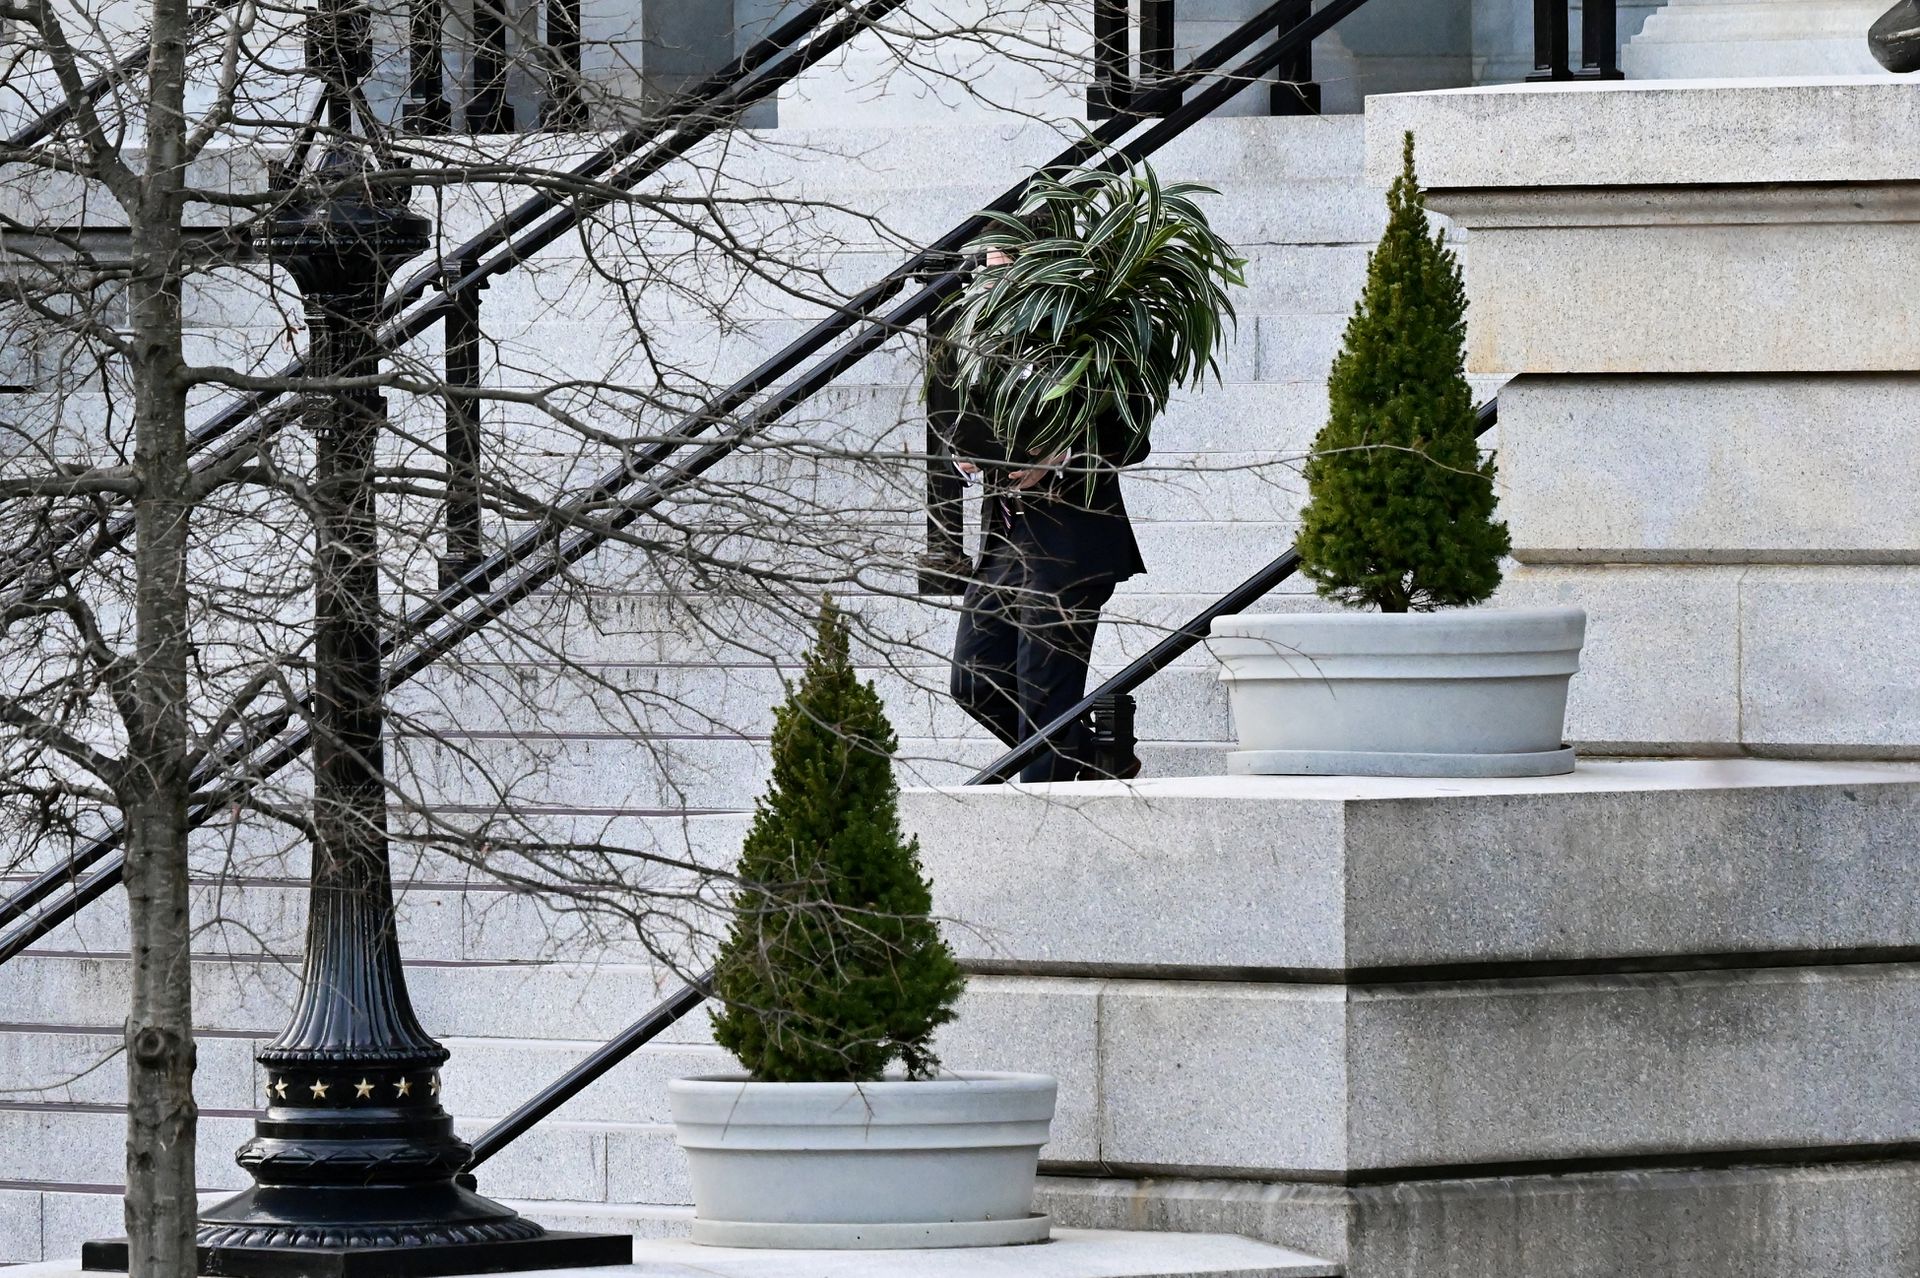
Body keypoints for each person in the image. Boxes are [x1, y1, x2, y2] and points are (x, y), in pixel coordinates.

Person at [944, 251, 1149, 782]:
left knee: (1044, 688)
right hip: (1004, 540)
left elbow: (1134, 436)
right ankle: (1090, 753)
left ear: (1035, 269)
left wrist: (1063, 453)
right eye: (982, 268)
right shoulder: (987, 343)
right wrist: (965, 452)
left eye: (998, 265)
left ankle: (1049, 805)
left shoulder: (1089, 337)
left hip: (1069, 543)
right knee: (972, 677)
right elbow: (966, 419)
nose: (985, 277)